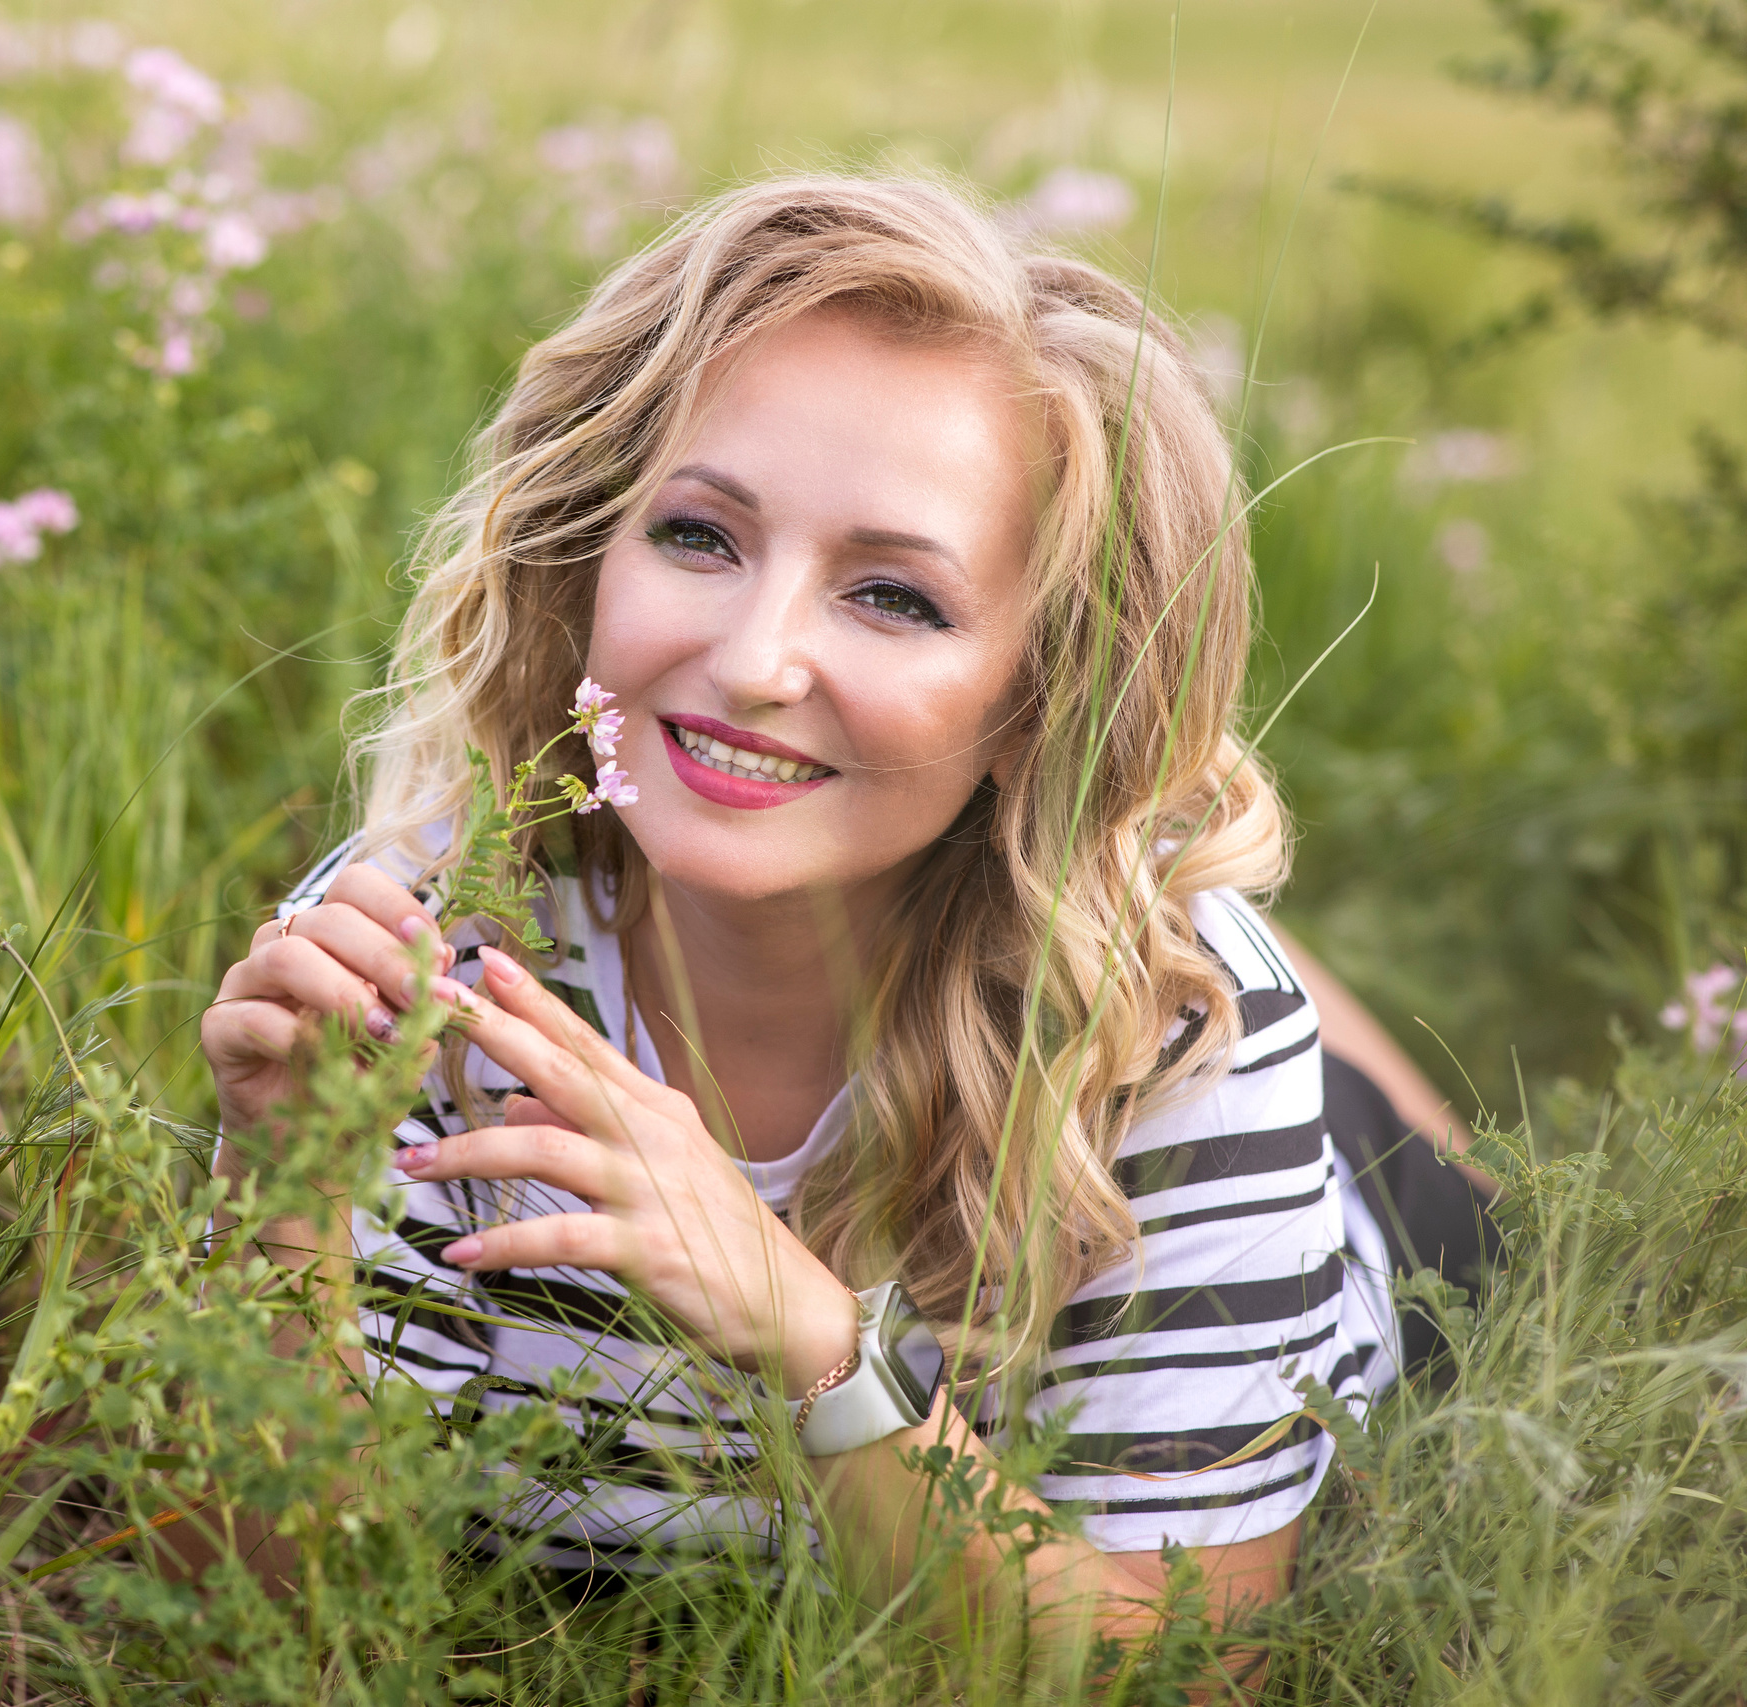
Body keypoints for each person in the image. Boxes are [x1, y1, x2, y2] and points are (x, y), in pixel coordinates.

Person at [197, 174, 1497, 1654]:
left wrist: (807, 1334)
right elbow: (266, 1601)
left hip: (1281, 1163)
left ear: (1042, 694)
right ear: (589, 551)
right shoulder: (427, 947)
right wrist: (277, 1198)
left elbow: (1189, 1669)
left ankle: (1341, 1059)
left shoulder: (1184, 1033)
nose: (752, 661)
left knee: (1399, 1157)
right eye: (699, 535)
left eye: (893, 597)